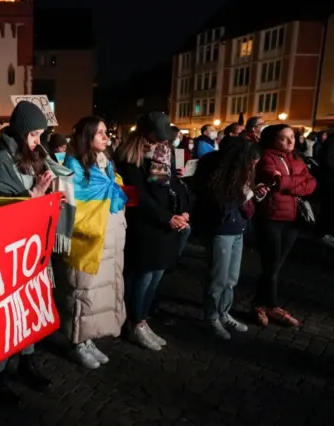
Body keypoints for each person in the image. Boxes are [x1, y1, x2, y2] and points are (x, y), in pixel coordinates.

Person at [0, 100, 62, 404]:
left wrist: (52, 199)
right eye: (33, 135)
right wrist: (34, 196)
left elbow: (37, 198)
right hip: (9, 252)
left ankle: (27, 361)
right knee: (8, 314)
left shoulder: (34, 156)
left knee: (30, 308)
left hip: (34, 247)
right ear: (21, 131)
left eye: (40, 135)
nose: (37, 142)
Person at [54, 116, 127, 368]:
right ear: (87, 137)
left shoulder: (105, 164)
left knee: (96, 295)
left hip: (108, 239)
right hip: (87, 243)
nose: (106, 137)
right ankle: (77, 341)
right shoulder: (71, 167)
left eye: (106, 132)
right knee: (81, 293)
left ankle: (88, 338)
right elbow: (71, 209)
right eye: (100, 133)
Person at [116, 112, 186, 351]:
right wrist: (167, 218)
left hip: (168, 223)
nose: (163, 141)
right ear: (146, 132)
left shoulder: (164, 152)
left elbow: (174, 185)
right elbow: (140, 195)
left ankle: (142, 319)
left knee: (156, 275)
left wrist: (184, 212)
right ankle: (135, 321)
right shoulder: (131, 155)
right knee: (143, 276)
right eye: (159, 135)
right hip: (146, 224)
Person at [194, 138, 267, 339]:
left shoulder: (241, 172)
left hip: (237, 228)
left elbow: (243, 202)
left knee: (232, 278)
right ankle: (211, 317)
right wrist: (245, 195)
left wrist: (253, 195)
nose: (253, 166)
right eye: (251, 162)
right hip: (220, 229)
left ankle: (224, 313)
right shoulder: (216, 171)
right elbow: (218, 204)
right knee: (218, 278)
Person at [254, 124, 317, 327]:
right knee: (271, 265)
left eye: (292, 137)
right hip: (271, 218)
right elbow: (275, 180)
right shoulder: (266, 157)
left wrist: (289, 183)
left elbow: (312, 183)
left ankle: (260, 305)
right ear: (272, 139)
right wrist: (296, 183)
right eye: (284, 138)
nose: (290, 141)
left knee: (276, 266)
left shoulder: (297, 158)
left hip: (293, 219)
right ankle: (269, 306)